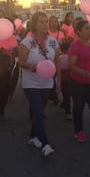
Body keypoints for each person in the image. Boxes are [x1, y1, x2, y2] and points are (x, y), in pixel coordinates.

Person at [18, 11, 61, 157]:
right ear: (34, 24)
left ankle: (32, 137)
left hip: (47, 82)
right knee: (38, 112)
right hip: (31, 82)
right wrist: (31, 66)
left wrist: (59, 80)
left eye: (46, 21)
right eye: (41, 21)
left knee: (38, 112)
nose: (45, 24)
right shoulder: (27, 42)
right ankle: (45, 143)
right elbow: (21, 62)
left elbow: (57, 62)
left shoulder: (53, 41)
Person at [0, 26, 18, 126]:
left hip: (8, 66)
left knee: (6, 91)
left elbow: (14, 51)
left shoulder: (12, 37)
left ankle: (1, 112)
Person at [59, 41, 72, 120]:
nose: (68, 51)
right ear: (63, 50)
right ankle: (68, 112)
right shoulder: (60, 58)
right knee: (67, 96)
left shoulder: (72, 57)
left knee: (68, 95)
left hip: (69, 79)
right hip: (63, 80)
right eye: (67, 50)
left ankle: (63, 105)